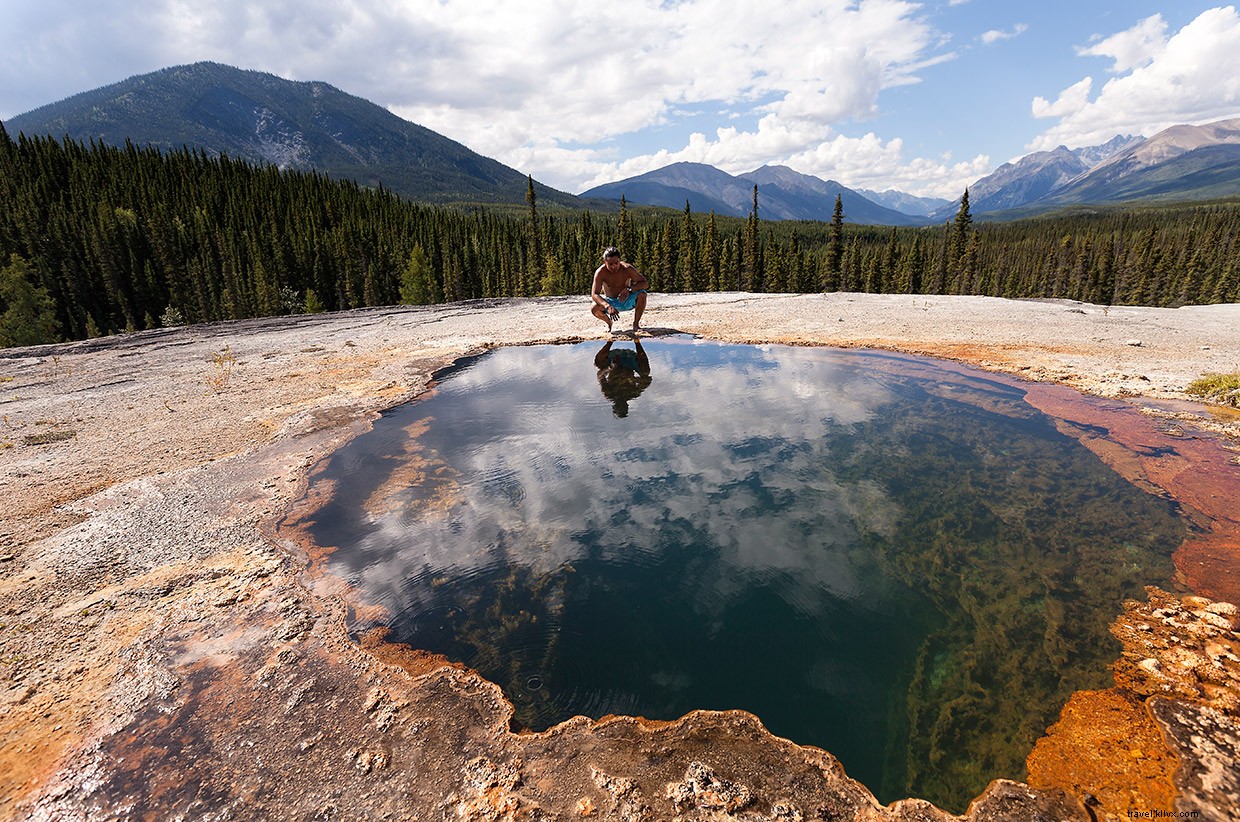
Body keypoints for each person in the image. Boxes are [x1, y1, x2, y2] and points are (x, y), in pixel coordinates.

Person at [590, 247, 648, 334]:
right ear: (605, 262)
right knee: (594, 308)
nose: (614, 266)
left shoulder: (627, 268)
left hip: (628, 300)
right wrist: (607, 306)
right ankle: (609, 322)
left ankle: (636, 324)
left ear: (619, 260)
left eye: (616, 263)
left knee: (642, 294)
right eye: (610, 264)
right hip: (611, 302)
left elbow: (644, 283)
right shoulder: (600, 272)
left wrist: (629, 290)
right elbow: (594, 294)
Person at [594, 337, 652, 418]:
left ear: (614, 406)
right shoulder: (633, 393)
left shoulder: (609, 393)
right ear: (627, 405)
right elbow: (648, 380)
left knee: (598, 363)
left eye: (619, 407)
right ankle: (637, 341)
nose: (621, 405)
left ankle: (610, 341)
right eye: (622, 407)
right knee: (645, 371)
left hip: (613, 361)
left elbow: (600, 375)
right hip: (629, 362)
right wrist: (634, 379)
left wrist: (610, 367)